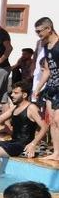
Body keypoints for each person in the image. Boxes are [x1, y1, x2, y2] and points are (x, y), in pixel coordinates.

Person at [0, 81, 48, 174]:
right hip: (13, 142)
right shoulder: (14, 108)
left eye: (16, 93)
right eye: (12, 93)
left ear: (24, 95)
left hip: (23, 144)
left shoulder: (31, 108)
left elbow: (45, 127)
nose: (12, 95)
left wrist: (33, 144)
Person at [33, 16, 59, 161]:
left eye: (39, 31)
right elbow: (47, 70)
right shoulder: (45, 45)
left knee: (58, 119)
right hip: (51, 87)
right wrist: (38, 88)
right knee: (53, 122)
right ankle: (56, 153)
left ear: (48, 28)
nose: (38, 34)